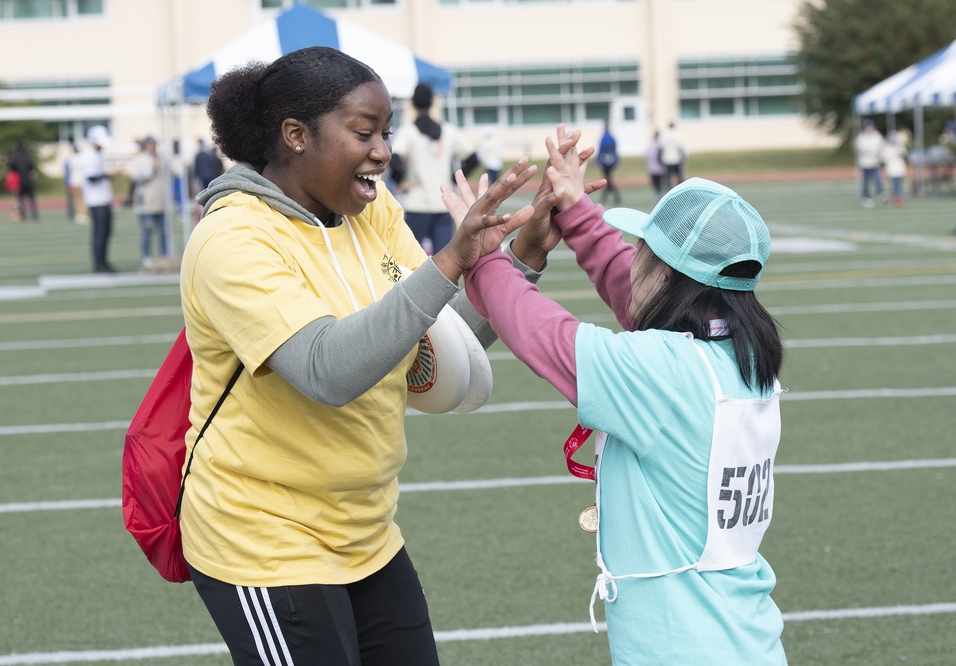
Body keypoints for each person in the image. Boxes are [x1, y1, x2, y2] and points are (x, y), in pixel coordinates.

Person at [179, 45, 540, 665]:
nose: (383, 151)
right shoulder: (233, 237)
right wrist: (451, 261)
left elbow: (436, 342)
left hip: (365, 528)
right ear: (295, 135)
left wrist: (524, 257)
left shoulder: (371, 212)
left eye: (387, 132)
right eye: (364, 132)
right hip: (266, 538)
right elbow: (328, 371)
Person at [448, 125, 787, 665]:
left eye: (642, 251)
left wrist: (487, 256)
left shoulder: (662, 374)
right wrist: (576, 208)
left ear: (670, 277)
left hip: (683, 650)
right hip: (744, 640)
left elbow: (541, 333)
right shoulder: (740, 357)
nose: (631, 258)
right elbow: (637, 295)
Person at [390, 81, 477, 254]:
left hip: (417, 204)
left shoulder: (408, 132)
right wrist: (453, 178)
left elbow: (394, 159)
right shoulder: (448, 131)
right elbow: (473, 158)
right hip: (443, 204)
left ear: (412, 103)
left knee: (408, 259)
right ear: (433, 103)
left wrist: (400, 179)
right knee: (444, 262)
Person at [78, 125, 116, 273]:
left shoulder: (98, 154)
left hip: (104, 199)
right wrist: (109, 174)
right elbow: (92, 178)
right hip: (96, 201)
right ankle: (98, 264)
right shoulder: (88, 156)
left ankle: (104, 262)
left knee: (106, 232)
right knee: (99, 233)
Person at [127, 136, 168, 268]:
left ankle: (164, 257)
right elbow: (137, 178)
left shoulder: (161, 158)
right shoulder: (140, 159)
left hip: (161, 202)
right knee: (147, 231)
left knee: (164, 232)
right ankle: (147, 257)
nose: (153, 147)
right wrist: (151, 169)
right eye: (150, 145)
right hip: (147, 203)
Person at [855, 119, 886, 208]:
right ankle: (866, 198)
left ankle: (880, 194)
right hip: (864, 163)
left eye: (870, 128)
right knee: (865, 182)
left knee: (877, 179)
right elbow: (860, 149)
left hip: (875, 163)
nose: (869, 130)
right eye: (867, 128)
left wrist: (881, 158)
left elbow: (881, 149)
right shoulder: (861, 137)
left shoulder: (877, 136)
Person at [9, 142, 39, 221]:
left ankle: (22, 215)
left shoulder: (15, 159)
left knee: (20, 199)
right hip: (28, 180)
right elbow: (32, 168)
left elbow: (12, 169)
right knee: (31, 198)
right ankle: (35, 214)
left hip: (19, 181)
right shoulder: (28, 158)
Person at [596, 120, 622, 205]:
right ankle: (613, 196)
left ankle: (610, 197)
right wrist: (616, 160)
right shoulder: (612, 137)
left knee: (608, 179)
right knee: (608, 178)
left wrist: (597, 160)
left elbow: (600, 150)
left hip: (604, 162)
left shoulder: (603, 137)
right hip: (612, 161)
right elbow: (615, 150)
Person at [880, 130, 908, 206]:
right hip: (891, 169)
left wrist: (902, 154)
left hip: (899, 169)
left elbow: (905, 155)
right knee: (894, 184)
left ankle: (897, 197)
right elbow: (883, 159)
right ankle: (895, 198)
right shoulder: (886, 147)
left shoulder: (899, 146)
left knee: (899, 184)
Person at [658, 121, 687, 190]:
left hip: (667, 160)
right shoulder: (677, 135)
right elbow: (681, 148)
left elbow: (661, 148)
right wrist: (684, 159)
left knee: (668, 179)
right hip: (677, 160)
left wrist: (660, 159)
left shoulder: (664, 135)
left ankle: (669, 191)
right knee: (680, 179)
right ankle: (680, 191)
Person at [644, 131, 667, 200]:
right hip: (660, 167)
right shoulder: (660, 145)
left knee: (655, 183)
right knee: (661, 182)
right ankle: (660, 194)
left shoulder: (650, 145)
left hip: (652, 167)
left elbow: (646, 156)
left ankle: (658, 193)